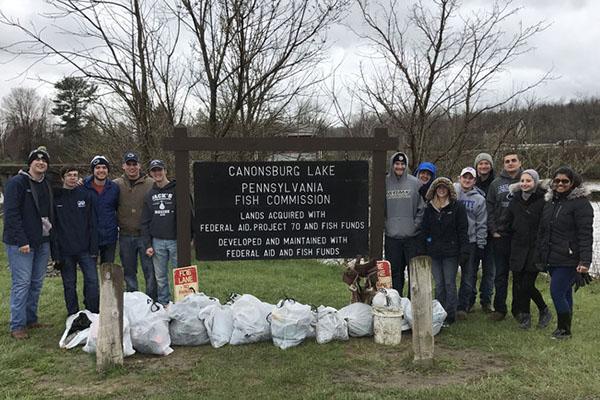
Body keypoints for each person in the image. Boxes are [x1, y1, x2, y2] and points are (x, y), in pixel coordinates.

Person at [3, 146, 54, 339]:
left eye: (44, 161)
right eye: (37, 160)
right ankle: (17, 324)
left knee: (36, 282)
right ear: (30, 163)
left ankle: (31, 319)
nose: (41, 163)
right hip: (21, 243)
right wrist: (21, 240)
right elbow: (11, 214)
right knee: (22, 283)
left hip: (42, 240)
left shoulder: (46, 183)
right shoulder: (17, 183)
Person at [537, 166, 593, 339]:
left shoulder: (581, 204)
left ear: (573, 183)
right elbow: (544, 230)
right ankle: (566, 326)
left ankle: (563, 329)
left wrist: (585, 261)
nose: (560, 184)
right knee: (565, 292)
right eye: (557, 181)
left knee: (556, 291)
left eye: (565, 181)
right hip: (552, 255)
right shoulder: (550, 201)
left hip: (570, 257)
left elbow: (585, 235)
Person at [505, 169, 552, 330]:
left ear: (535, 182)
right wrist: (498, 230)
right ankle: (525, 317)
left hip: (535, 248)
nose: (525, 184)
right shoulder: (514, 200)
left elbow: (546, 225)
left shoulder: (543, 200)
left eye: (528, 181)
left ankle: (544, 309)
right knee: (518, 284)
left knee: (527, 284)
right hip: (517, 247)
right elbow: (507, 220)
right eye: (523, 181)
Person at [54, 166, 99, 315]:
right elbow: (53, 228)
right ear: (63, 178)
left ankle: (92, 312)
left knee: (92, 281)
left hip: (85, 249)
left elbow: (92, 223)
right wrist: (56, 254)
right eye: (69, 175)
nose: (72, 177)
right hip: (65, 250)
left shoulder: (85, 195)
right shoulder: (56, 197)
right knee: (69, 284)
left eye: (75, 175)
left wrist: (94, 248)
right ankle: (72, 315)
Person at [114, 151, 156, 300]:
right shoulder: (116, 184)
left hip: (145, 235)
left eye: (134, 164)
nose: (132, 167)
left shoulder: (150, 183)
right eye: (129, 164)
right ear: (123, 166)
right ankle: (133, 301)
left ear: (139, 165)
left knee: (150, 270)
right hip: (125, 235)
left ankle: (152, 301)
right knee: (129, 272)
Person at [487, 152, 522, 321]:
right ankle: (500, 309)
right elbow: (490, 208)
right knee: (500, 274)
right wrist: (493, 230)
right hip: (501, 235)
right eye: (507, 161)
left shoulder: (527, 180)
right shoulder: (496, 184)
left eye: (513, 160)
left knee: (518, 275)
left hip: (520, 237)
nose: (510, 163)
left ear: (519, 162)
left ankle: (519, 309)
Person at [384, 152, 424, 297]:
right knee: (395, 272)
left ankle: (412, 304)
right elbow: (378, 207)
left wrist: (415, 225)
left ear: (406, 165)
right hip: (392, 237)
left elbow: (422, 208)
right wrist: (386, 225)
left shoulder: (415, 183)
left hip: (411, 237)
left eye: (402, 164)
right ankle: (396, 302)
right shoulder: (385, 182)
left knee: (414, 273)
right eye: (397, 164)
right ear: (392, 165)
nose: (399, 166)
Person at [141, 160, 178, 306]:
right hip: (157, 241)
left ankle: (183, 302)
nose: (157, 173)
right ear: (150, 173)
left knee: (180, 275)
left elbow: (188, 213)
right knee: (161, 277)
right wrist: (148, 244)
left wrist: (190, 236)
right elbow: (145, 221)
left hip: (176, 240)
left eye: (159, 170)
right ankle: (164, 304)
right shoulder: (149, 194)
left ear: (165, 171)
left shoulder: (177, 190)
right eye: (154, 171)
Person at [454, 167, 487, 320]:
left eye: (470, 178)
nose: (467, 180)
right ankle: (449, 304)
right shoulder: (452, 192)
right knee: (449, 276)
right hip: (453, 241)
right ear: (460, 178)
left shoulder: (479, 199)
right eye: (464, 177)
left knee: (468, 276)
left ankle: (463, 306)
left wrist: (481, 244)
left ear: (474, 181)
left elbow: (481, 224)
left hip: (471, 241)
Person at [83, 155, 120, 263]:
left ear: (108, 170)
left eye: (104, 167)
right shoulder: (83, 186)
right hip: (89, 237)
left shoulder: (114, 188)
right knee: (90, 274)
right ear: (93, 170)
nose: (101, 170)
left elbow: (118, 208)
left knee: (108, 272)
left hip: (109, 236)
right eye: (97, 167)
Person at [473, 152, 496, 313]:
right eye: (480, 163)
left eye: (486, 163)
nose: (483, 166)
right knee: (471, 270)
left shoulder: (496, 184)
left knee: (490, 270)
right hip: (473, 234)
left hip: (492, 234)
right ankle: (469, 300)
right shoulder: (470, 183)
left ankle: (486, 301)